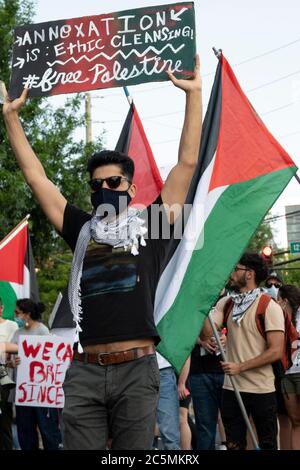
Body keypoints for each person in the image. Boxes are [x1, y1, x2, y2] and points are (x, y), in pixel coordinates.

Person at [2, 56, 202, 450]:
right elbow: (36, 178)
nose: (104, 189)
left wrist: (193, 95)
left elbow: (187, 163)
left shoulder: (156, 226)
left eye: (113, 181)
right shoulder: (80, 229)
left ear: (130, 188)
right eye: (96, 185)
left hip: (137, 369)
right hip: (85, 371)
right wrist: (10, 117)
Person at [201, 252, 285, 450]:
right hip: (232, 389)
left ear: (249, 274)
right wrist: (202, 306)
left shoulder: (269, 306)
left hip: (261, 389)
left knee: (267, 444)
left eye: (236, 269)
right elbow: (207, 335)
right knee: (234, 445)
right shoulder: (227, 303)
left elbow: (276, 351)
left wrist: (241, 367)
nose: (232, 273)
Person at [9, 299, 61, 450]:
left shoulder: (43, 331)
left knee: (47, 430)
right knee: (25, 431)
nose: (15, 315)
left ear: (27, 314)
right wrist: (13, 363)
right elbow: (10, 361)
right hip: (23, 392)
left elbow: (51, 358)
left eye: (17, 312)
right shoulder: (18, 333)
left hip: (41, 392)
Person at [278, 284, 300, 450]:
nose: (276, 302)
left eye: (278, 299)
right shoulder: (278, 319)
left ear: (285, 301)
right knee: (295, 420)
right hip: (287, 374)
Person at [0, 297, 18, 450]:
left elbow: (19, 347)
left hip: (4, 380)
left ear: (1, 308)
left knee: (5, 419)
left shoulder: (12, 326)